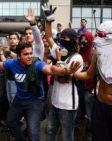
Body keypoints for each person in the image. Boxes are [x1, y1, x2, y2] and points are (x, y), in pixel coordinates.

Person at [0, 42, 81, 141]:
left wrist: (65, 71)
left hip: (35, 102)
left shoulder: (37, 64)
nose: (29, 56)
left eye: (31, 53)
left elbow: (50, 69)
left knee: (33, 134)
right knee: (10, 122)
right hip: (19, 99)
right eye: (25, 54)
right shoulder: (12, 63)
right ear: (18, 56)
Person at [42, 4, 84, 141]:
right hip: (54, 101)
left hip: (68, 104)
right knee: (50, 132)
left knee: (66, 136)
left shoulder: (77, 57)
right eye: (61, 37)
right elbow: (48, 36)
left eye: (64, 38)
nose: (61, 40)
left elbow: (60, 74)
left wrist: (59, 62)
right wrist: (48, 21)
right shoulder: (59, 50)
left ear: (72, 40)